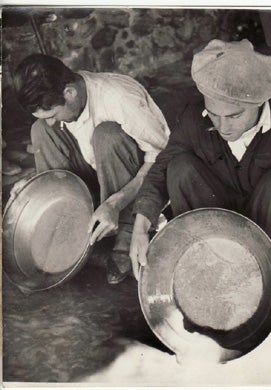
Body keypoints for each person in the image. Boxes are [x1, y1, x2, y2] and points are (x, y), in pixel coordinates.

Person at [130, 39, 271, 311]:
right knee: (180, 167)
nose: (222, 126)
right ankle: (210, 270)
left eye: (233, 116)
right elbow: (161, 168)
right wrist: (139, 227)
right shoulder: (194, 117)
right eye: (214, 114)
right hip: (219, 217)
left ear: (259, 101)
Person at [13, 53, 170, 284]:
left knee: (107, 135)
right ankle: (71, 220)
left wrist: (115, 203)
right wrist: (33, 184)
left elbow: (163, 159)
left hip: (136, 178)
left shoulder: (120, 99)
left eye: (53, 114)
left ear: (70, 93)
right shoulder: (67, 101)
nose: (52, 121)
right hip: (97, 169)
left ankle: (126, 233)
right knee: (40, 131)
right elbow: (56, 135)